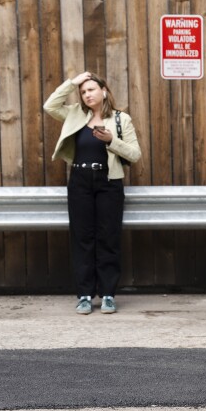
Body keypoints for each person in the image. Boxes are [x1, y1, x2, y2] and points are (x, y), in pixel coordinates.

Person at [44, 72, 142, 315]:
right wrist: (72, 83)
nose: (87, 94)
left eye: (91, 90)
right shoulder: (75, 113)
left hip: (109, 182)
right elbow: (50, 105)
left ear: (104, 91)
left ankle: (108, 294)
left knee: (108, 237)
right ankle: (85, 295)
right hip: (79, 181)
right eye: (83, 91)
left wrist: (111, 140)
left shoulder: (121, 119)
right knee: (82, 238)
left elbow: (135, 154)